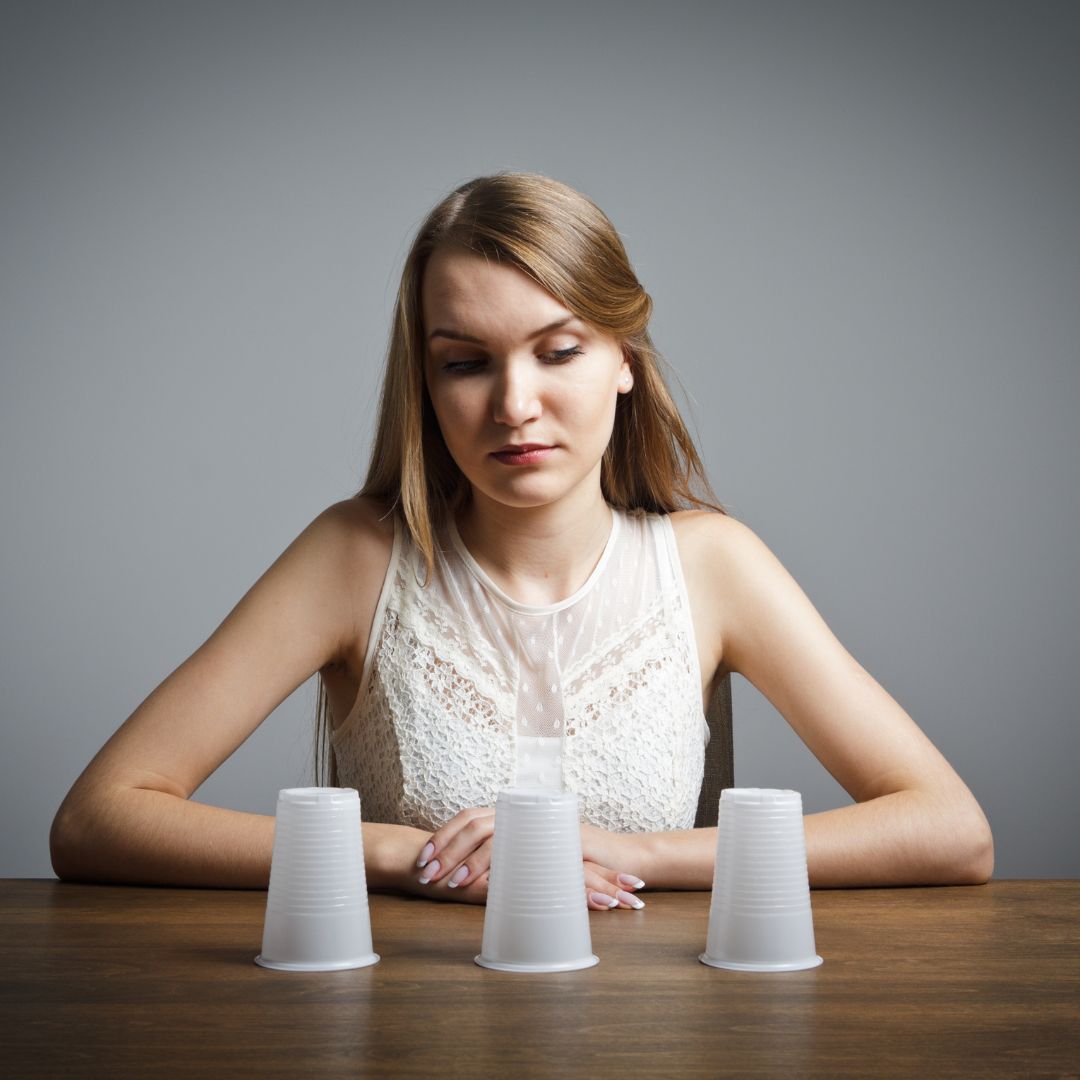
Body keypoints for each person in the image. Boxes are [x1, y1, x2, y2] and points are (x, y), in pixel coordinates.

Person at [50, 172, 993, 911]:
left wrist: (643, 857)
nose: (513, 406)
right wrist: (407, 857)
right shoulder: (353, 558)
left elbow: (951, 831)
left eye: (560, 349)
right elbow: (97, 820)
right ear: (426, 383)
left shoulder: (714, 565)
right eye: (465, 363)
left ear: (626, 358)